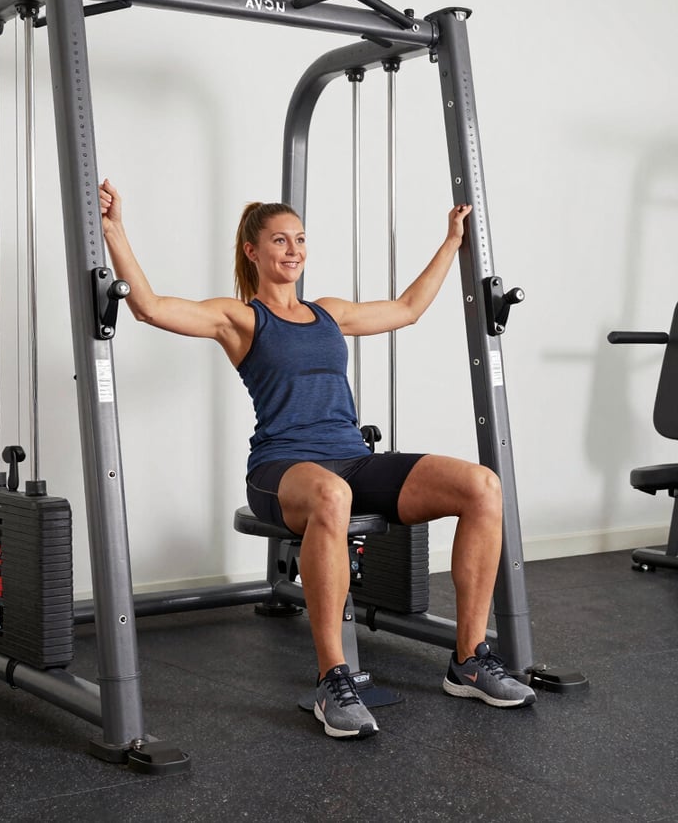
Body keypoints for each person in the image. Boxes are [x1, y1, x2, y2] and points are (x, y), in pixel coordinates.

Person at [98, 178, 537, 739]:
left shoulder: (328, 313)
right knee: (333, 495)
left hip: (350, 460)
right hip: (281, 469)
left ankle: (469, 659)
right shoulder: (241, 319)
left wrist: (451, 241)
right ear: (253, 252)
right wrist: (114, 230)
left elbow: (407, 309)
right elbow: (152, 309)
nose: (294, 251)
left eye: (300, 240)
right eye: (280, 241)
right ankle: (335, 679)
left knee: (481, 485)